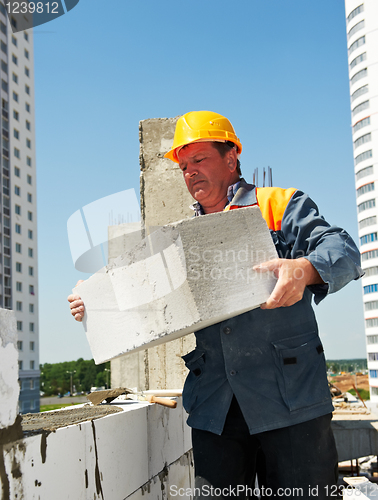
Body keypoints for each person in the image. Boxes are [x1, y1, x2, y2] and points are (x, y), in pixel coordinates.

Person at [68, 111, 363, 499]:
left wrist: (304, 268)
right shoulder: (177, 238)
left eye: (200, 160)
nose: (190, 172)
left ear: (230, 158)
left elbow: (344, 250)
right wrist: (93, 303)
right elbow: (144, 304)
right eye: (184, 166)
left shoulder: (277, 204)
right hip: (217, 408)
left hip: (290, 401)